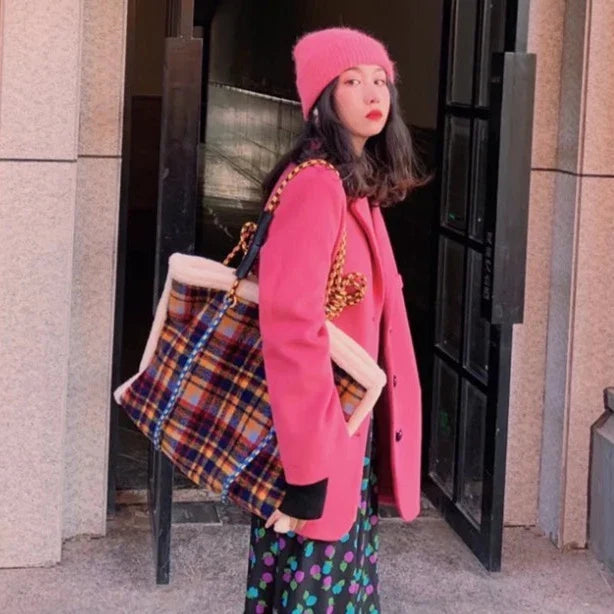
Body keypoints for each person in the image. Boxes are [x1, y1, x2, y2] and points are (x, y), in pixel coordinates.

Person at [244, 26, 428, 614]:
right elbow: (291, 328)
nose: (373, 93)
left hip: (342, 436)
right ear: (322, 99)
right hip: (317, 443)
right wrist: (307, 469)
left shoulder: (352, 183)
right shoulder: (318, 185)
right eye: (351, 81)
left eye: (380, 80)